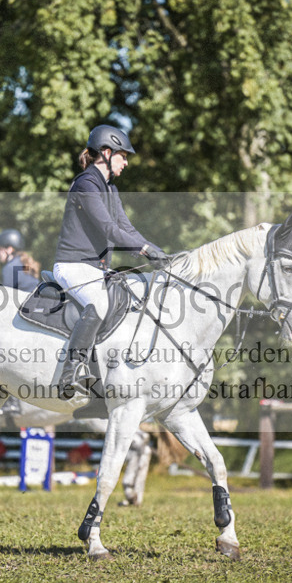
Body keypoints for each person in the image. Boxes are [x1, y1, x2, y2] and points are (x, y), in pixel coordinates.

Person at [53, 124, 170, 396]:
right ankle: (71, 372)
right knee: (99, 304)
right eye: (123, 156)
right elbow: (107, 228)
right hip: (72, 266)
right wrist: (143, 249)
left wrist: (157, 251)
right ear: (106, 153)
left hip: (94, 269)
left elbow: (126, 229)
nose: (126, 163)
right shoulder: (86, 184)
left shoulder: (110, 190)